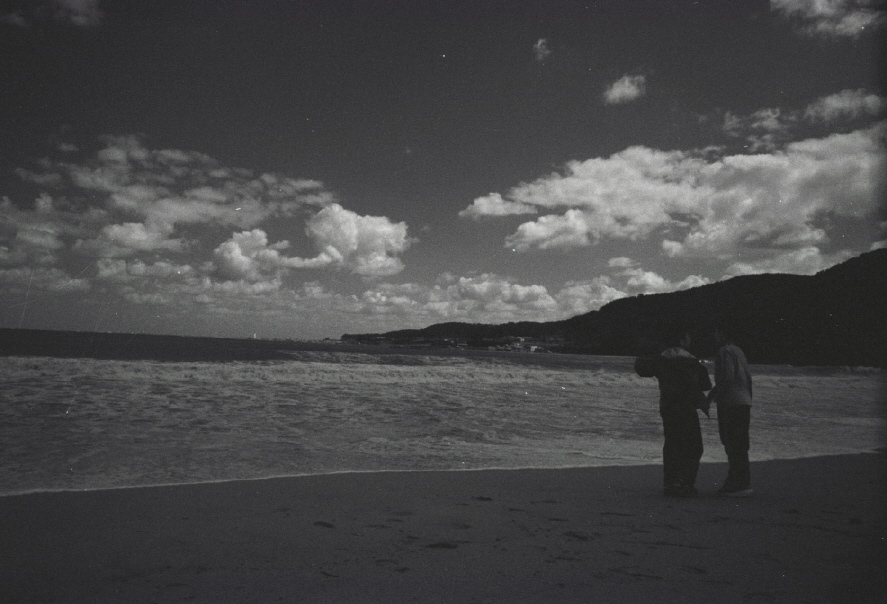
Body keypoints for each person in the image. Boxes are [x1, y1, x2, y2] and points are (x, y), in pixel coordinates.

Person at [635, 328, 712, 497]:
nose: (690, 340)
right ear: (682, 340)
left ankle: (670, 483)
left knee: (672, 444)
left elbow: (642, 368)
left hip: (667, 405)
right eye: (688, 337)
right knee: (694, 446)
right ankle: (684, 482)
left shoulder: (663, 358)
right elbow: (705, 384)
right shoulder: (690, 359)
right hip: (686, 406)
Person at [707, 326, 754, 497]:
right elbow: (748, 379)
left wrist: (710, 397)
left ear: (722, 334)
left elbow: (727, 377)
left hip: (731, 402)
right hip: (744, 401)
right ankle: (742, 482)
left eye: (716, 332)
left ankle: (736, 483)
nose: (714, 335)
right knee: (740, 444)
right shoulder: (739, 351)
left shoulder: (725, 351)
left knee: (731, 443)